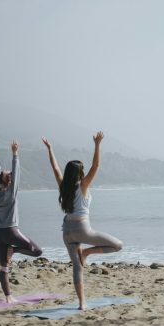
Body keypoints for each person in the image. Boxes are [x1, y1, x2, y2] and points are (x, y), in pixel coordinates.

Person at [42, 132, 123, 310]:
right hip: (82, 229)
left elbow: (55, 168)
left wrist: (50, 149)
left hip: (67, 232)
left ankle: (82, 303)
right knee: (118, 245)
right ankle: (87, 253)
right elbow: (96, 166)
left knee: (77, 268)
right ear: (80, 173)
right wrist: (97, 144)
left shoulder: (64, 186)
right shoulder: (82, 186)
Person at [0, 140, 43, 303]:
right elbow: (16, 172)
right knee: (37, 251)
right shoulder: (11, 193)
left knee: (4, 267)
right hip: (12, 232)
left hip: (0, 234)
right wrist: (15, 154)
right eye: (9, 175)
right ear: (10, 182)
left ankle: (8, 297)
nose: (10, 174)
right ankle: (14, 251)